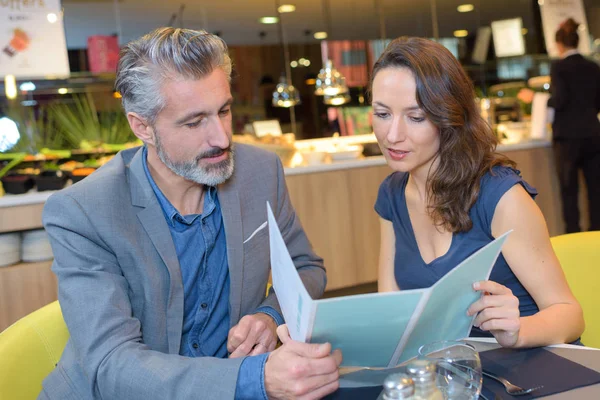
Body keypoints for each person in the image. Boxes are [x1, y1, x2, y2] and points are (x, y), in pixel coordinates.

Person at [40, 27, 341, 400]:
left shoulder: (260, 172)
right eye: (194, 121)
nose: (221, 138)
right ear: (142, 127)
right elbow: (113, 366)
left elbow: (306, 268)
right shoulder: (83, 212)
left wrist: (270, 315)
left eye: (224, 111)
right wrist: (254, 378)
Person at [371, 37, 584, 349]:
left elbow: (570, 315)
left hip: (529, 370)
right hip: (453, 375)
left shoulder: (499, 195)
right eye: (382, 113)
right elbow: (391, 315)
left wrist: (518, 331)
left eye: (416, 117)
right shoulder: (391, 195)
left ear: (449, 116)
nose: (392, 135)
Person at [547, 18, 600, 233]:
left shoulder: (559, 67)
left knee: (569, 192)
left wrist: (541, 99)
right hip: (593, 134)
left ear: (559, 44)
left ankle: (573, 236)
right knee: (596, 191)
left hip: (567, 138)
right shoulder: (593, 67)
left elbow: (559, 99)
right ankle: (596, 236)